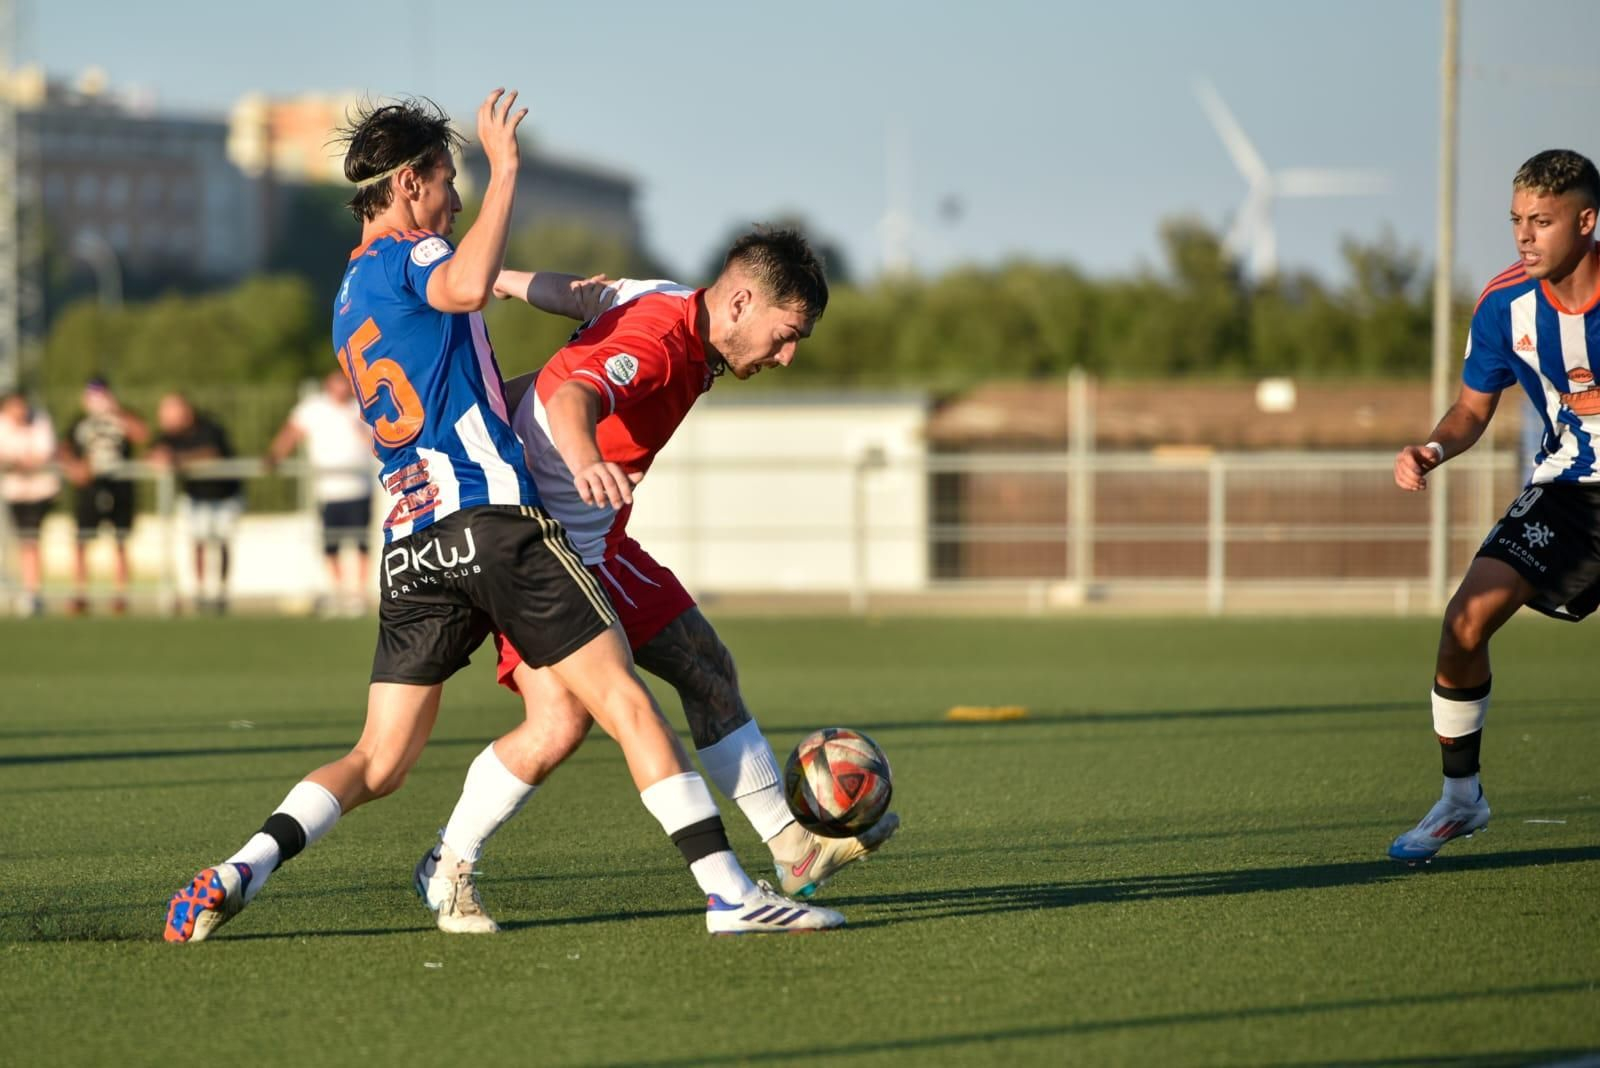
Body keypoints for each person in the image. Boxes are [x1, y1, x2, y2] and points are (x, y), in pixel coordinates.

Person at [163, 91, 840, 944]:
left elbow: (512, 308)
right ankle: (731, 892)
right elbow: (473, 287)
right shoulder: (418, 254)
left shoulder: (347, 294)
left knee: (382, 759)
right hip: (493, 522)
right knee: (625, 700)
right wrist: (508, 170)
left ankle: (242, 868)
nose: (455, 200)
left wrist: (519, 291)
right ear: (409, 185)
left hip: (413, 543)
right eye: (450, 181)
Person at [412, 231, 899, 934]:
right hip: (540, 542)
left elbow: (584, 294)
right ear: (739, 302)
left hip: (598, 540)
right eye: (785, 335)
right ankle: (449, 861)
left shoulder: (666, 301)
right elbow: (576, 394)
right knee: (558, 725)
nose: (787, 354)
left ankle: (794, 849)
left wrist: (506, 280)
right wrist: (583, 460)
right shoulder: (662, 342)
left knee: (704, 664)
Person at [1389, 148, 1600, 862]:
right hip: (1568, 495)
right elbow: (1472, 408)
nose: (1525, 236)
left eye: (1542, 221)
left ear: (1587, 221)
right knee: (1464, 622)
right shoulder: (1504, 303)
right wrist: (1432, 449)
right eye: (1517, 221)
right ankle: (1460, 799)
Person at [266, 370, 376, 614]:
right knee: (331, 544)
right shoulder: (314, 408)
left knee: (360, 542)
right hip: (328, 491)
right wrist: (275, 455)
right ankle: (339, 592)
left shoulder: (361, 408)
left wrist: (362, 434)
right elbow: (292, 431)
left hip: (359, 487)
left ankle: (357, 595)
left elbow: (378, 443)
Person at [150, 392, 245, 615]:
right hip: (195, 497)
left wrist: (179, 460)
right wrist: (158, 457)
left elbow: (211, 453)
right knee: (198, 541)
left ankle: (221, 591)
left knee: (221, 541)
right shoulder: (169, 435)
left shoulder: (209, 427)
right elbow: (155, 452)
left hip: (224, 495)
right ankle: (200, 592)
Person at [60, 376, 147, 614]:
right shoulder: (79, 422)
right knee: (81, 542)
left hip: (120, 488)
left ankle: (120, 595)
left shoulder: (123, 417)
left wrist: (116, 411)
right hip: (89, 490)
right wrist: (74, 467)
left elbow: (142, 435)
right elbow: (63, 449)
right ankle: (80, 593)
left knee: (120, 541)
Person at [0, 391, 61, 616]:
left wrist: (18, 462)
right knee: (19, 542)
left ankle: (32, 593)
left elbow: (42, 455)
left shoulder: (40, 420)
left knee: (30, 540)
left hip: (38, 492)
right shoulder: (3, 424)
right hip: (13, 493)